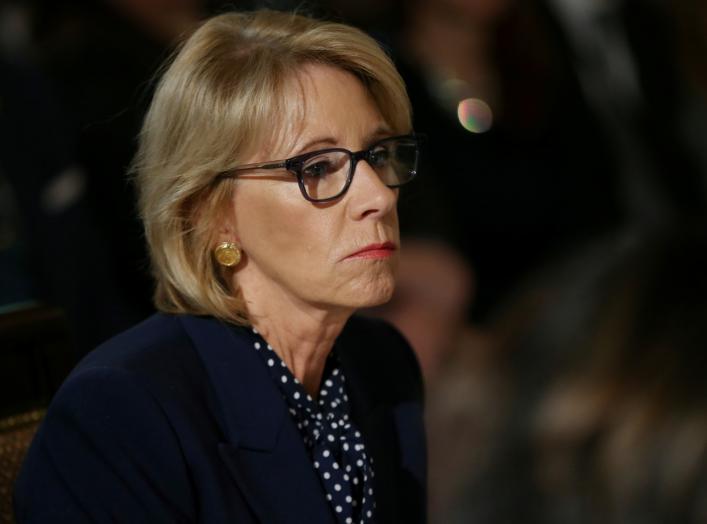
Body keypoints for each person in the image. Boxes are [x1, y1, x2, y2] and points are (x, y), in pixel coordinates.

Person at [13, 9, 427, 523]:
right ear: (212, 215)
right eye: (317, 168)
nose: (379, 196)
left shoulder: (383, 363)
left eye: (379, 154)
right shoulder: (122, 413)